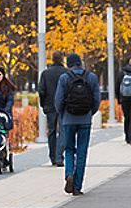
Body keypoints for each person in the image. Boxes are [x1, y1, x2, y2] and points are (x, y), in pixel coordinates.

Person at [55, 53, 100, 196]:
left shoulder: (64, 78)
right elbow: (96, 99)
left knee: (69, 149)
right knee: (82, 152)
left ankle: (69, 173)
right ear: (80, 63)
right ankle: (77, 186)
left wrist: (63, 114)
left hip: (68, 119)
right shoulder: (91, 77)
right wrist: (89, 113)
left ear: (69, 64)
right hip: (85, 119)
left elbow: (58, 101)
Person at [38, 51, 68, 167]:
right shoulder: (66, 72)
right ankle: (60, 156)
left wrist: (43, 105)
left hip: (50, 106)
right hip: (63, 106)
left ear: (52, 59)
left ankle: (53, 157)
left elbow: (41, 91)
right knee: (62, 131)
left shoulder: (46, 73)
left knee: (51, 131)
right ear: (62, 59)